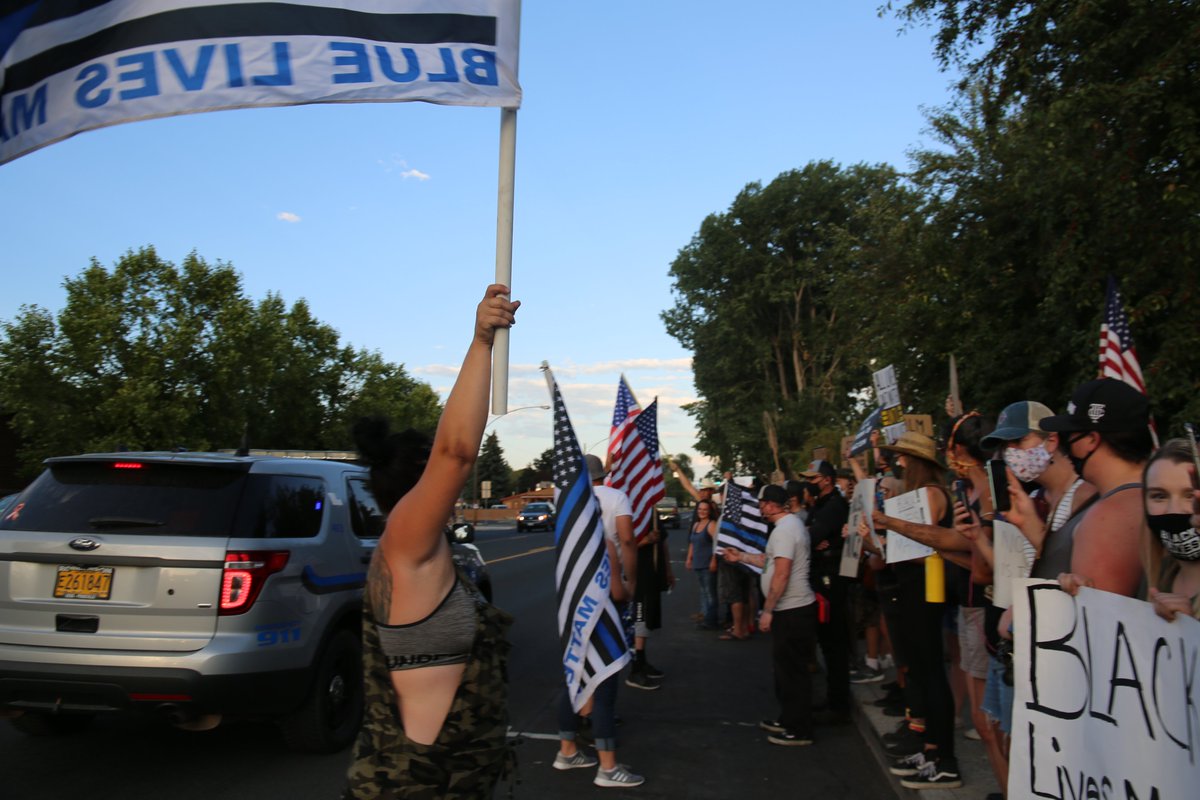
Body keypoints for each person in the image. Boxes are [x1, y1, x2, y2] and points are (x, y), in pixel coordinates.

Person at [343, 284, 519, 799]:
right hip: (412, 787)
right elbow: (456, 453)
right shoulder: (406, 542)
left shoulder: (419, 552)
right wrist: (482, 340)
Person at [871, 431, 963, 790]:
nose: (900, 462)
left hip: (927, 589)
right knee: (921, 672)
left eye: (905, 457)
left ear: (918, 462)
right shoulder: (914, 497)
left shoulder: (932, 494)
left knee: (930, 672)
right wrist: (872, 534)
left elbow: (926, 537)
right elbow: (896, 550)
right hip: (912, 588)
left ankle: (946, 759)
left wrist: (888, 521)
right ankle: (930, 749)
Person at [554, 454, 644, 788]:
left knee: (573, 673)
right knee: (604, 682)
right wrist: (629, 583)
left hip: (571, 602)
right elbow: (626, 542)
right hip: (602, 602)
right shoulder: (613, 505)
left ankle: (567, 749)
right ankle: (608, 767)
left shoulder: (567, 511)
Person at [724, 484, 817, 746]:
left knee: (793, 671)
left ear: (772, 504)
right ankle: (789, 718)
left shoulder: (787, 530)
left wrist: (767, 610)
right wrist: (741, 556)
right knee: (784, 669)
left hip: (793, 610)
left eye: (762, 502)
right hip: (790, 609)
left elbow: (782, 573)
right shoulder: (785, 529)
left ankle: (800, 729)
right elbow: (770, 562)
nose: (760, 507)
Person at [1043, 378, 1154, 598]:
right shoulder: (1145, 494)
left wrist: (1018, 617)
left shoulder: (1112, 514)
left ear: (1091, 439)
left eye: (1069, 436)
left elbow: (1098, 620)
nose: (1065, 447)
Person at [800, 458, 851, 723]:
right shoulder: (821, 505)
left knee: (834, 642)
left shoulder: (833, 506)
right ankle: (835, 698)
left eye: (813, 479)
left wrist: (815, 536)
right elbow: (809, 534)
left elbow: (810, 535)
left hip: (832, 577)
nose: (809, 483)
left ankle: (839, 704)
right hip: (822, 574)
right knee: (828, 642)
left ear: (827, 479)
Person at [1141, 439, 1200, 621]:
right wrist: (1083, 594)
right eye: (1159, 496)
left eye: (1190, 495)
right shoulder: (1154, 579)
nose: (1174, 510)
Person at [686, 498, 720, 630]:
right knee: (703, 591)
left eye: (705, 509)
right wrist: (689, 559)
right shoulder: (695, 525)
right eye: (700, 509)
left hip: (708, 564)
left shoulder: (712, 525)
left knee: (710, 592)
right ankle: (706, 616)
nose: (702, 512)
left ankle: (712, 620)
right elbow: (692, 543)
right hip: (698, 563)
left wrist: (714, 560)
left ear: (709, 511)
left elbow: (717, 544)